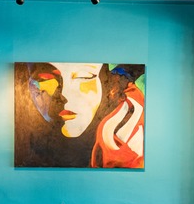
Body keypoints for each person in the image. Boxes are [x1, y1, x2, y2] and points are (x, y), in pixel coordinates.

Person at [15, 62, 144, 168]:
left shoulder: (126, 113)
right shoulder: (23, 145)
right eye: (45, 80)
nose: (64, 94)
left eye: (84, 77)